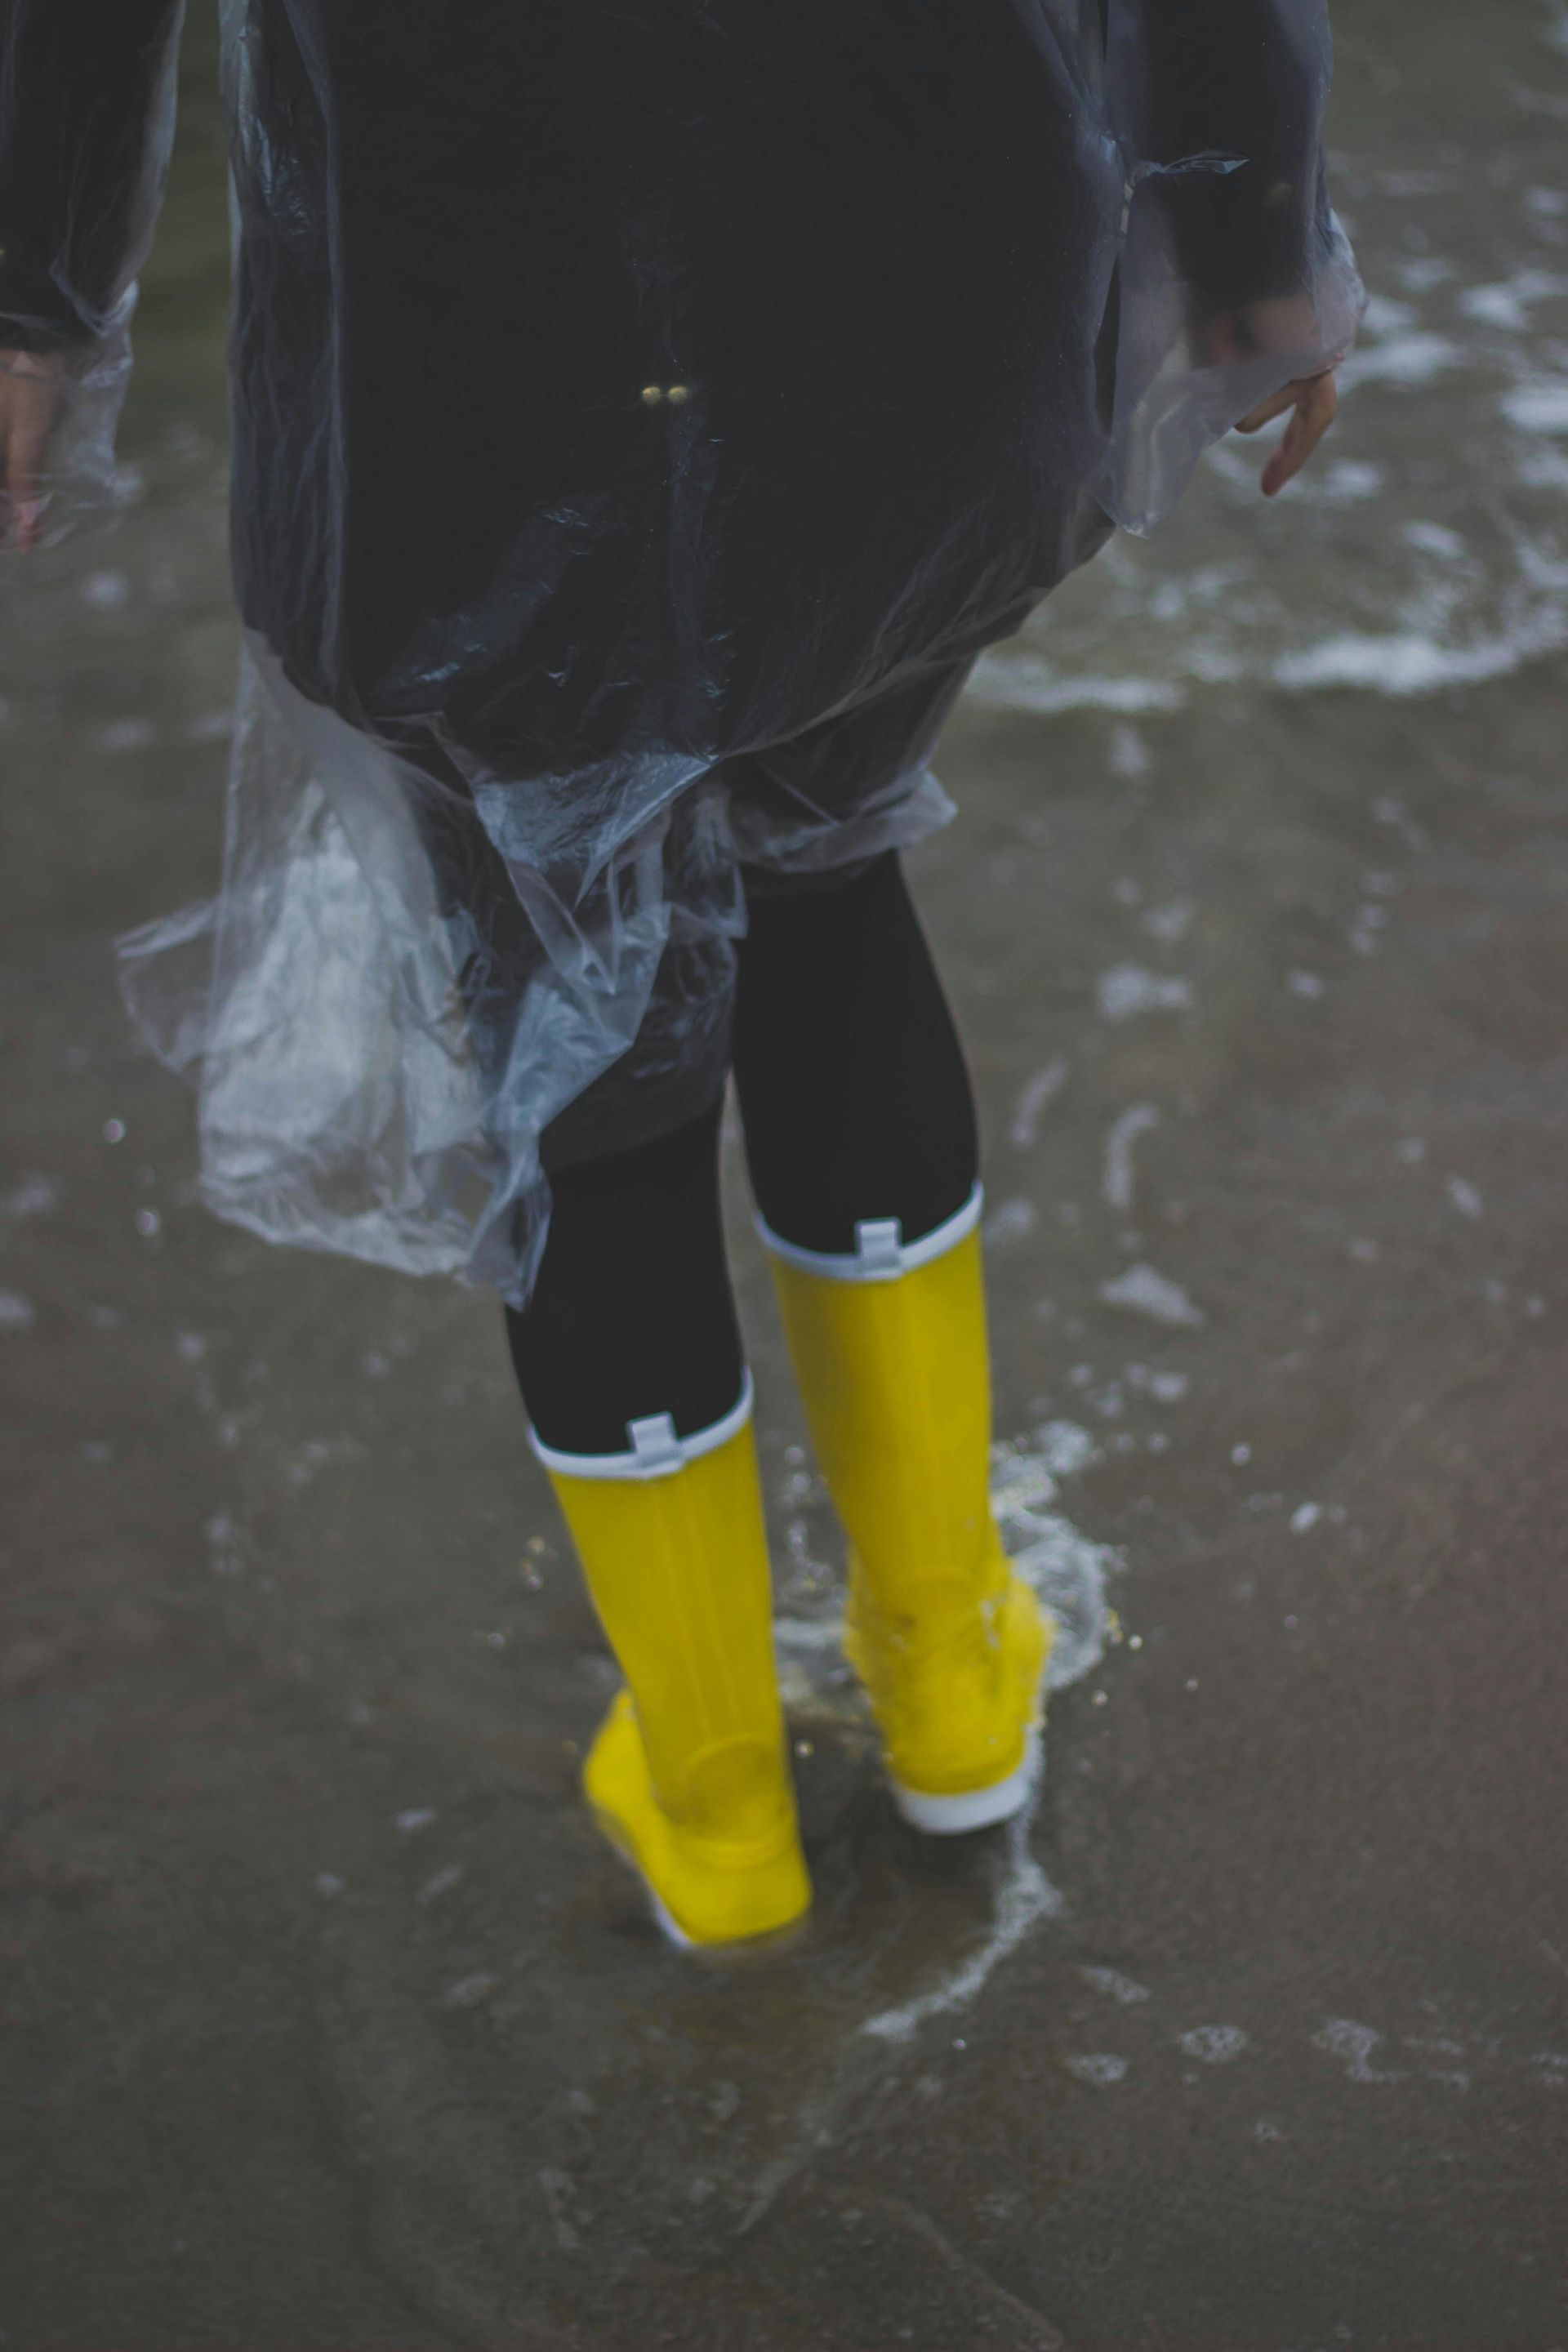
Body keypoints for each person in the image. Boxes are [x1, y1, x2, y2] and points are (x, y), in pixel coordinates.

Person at [0, 1, 1361, 1949]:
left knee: (588, 1055)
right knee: (828, 873)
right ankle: (954, 1666)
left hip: (468, 325)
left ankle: (721, 1803)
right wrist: (1254, 239)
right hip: (933, 252)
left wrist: (40, 294)